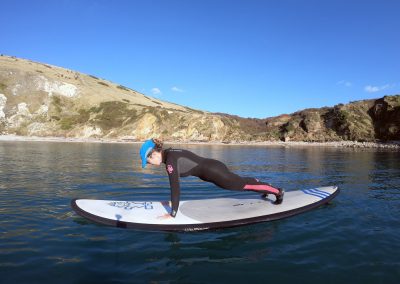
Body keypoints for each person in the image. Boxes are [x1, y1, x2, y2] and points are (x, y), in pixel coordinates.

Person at [139, 138, 284, 218]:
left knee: (241, 185)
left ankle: (277, 191)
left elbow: (175, 188)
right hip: (213, 167)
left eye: (148, 161)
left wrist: (173, 213)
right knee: (240, 181)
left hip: (214, 172)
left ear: (153, 154)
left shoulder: (170, 162)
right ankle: (261, 184)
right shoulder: (170, 153)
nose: (150, 164)